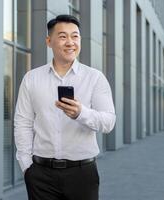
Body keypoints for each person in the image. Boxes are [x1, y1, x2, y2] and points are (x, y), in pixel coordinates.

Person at [14, 14, 116, 200]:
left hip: (82, 174)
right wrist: (26, 166)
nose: (70, 42)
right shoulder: (32, 78)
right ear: (49, 41)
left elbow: (108, 122)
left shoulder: (95, 78)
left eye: (75, 36)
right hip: (40, 175)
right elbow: (23, 123)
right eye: (62, 36)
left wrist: (81, 113)